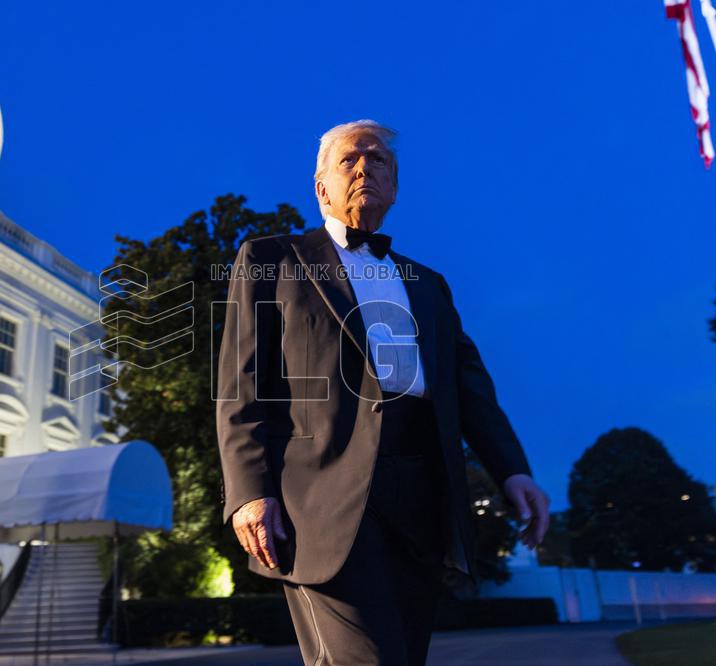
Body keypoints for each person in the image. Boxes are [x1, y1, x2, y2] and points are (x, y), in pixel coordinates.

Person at [216, 120, 551, 664]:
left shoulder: (430, 284)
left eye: (378, 160)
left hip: (423, 492)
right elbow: (240, 384)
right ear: (321, 187)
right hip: (321, 497)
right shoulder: (270, 259)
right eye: (349, 160)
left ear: (394, 185)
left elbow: (470, 389)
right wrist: (249, 491)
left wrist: (513, 470)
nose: (365, 168)